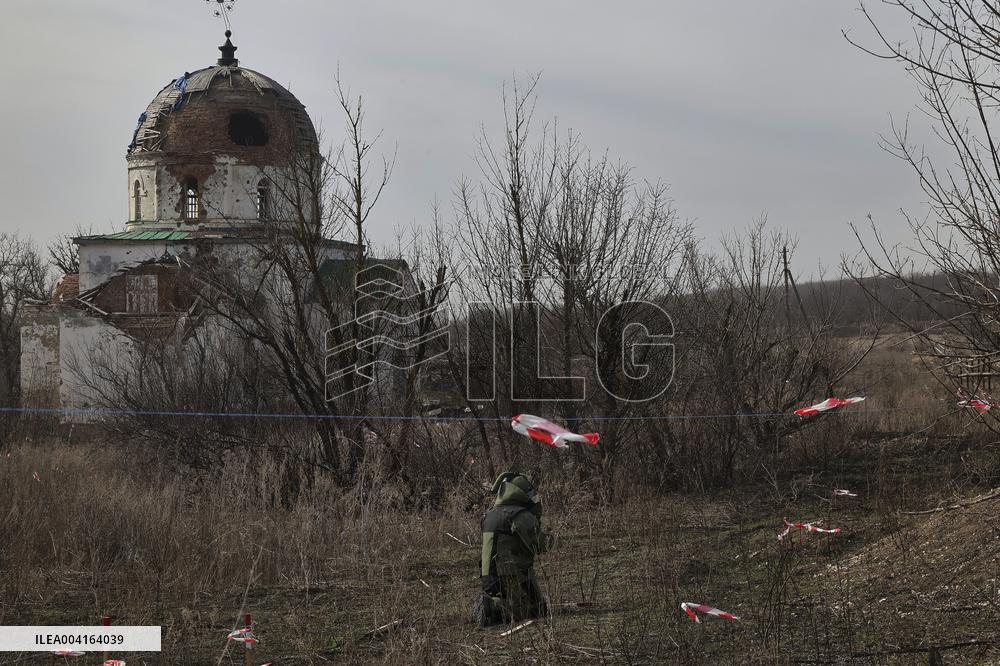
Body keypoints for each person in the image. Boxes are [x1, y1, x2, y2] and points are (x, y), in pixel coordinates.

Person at [473, 471, 555, 627]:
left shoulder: (489, 515)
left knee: (517, 612)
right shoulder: (520, 515)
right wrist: (553, 539)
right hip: (512, 576)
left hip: (488, 578)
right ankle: (492, 606)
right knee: (538, 610)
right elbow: (540, 545)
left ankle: (495, 605)